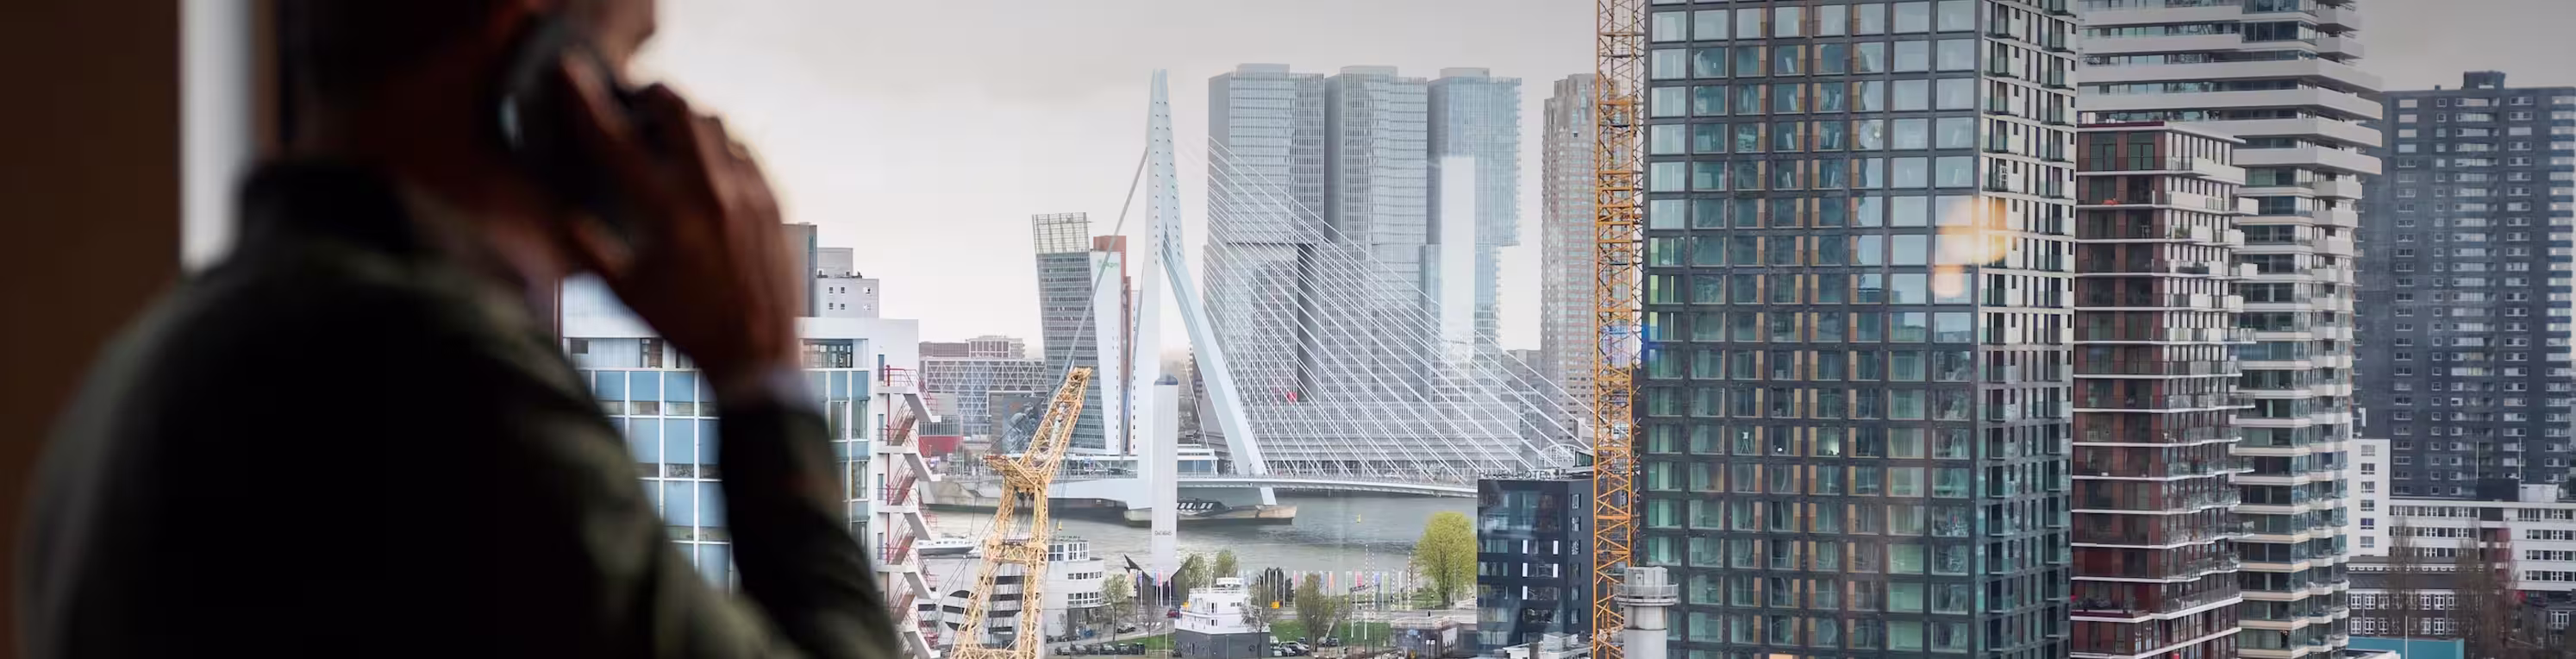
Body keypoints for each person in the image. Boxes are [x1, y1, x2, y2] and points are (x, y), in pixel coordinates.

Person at [14, 1, 897, 656]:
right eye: (624, 61)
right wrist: (761, 378)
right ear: (543, 82)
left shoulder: (131, 374)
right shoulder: (443, 396)